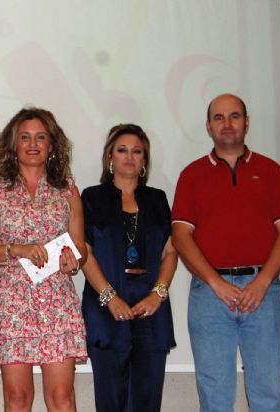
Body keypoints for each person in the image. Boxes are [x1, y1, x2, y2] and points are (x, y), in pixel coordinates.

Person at [171, 94, 280, 411]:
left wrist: (262, 282)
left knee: (267, 397)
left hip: (263, 293)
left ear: (246, 122)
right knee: (215, 400)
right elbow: (181, 236)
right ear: (208, 126)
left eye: (234, 116)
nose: (227, 124)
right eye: (219, 118)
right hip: (210, 296)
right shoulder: (192, 175)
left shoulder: (270, 171)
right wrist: (216, 283)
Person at [0, 107, 88, 412]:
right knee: (18, 398)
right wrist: (15, 250)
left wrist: (73, 260)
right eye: (25, 137)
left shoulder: (68, 191)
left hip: (57, 301)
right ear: (13, 144)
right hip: (11, 302)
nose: (32, 144)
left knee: (62, 398)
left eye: (40, 137)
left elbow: (80, 248)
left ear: (52, 145)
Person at [80, 124, 178, 411]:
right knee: (110, 400)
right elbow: (84, 252)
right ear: (110, 156)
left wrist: (158, 294)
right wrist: (109, 297)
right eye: (122, 150)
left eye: (137, 151)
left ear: (144, 159)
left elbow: (171, 251)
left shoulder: (157, 199)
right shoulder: (92, 197)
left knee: (147, 399)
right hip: (105, 305)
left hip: (151, 306)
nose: (129, 157)